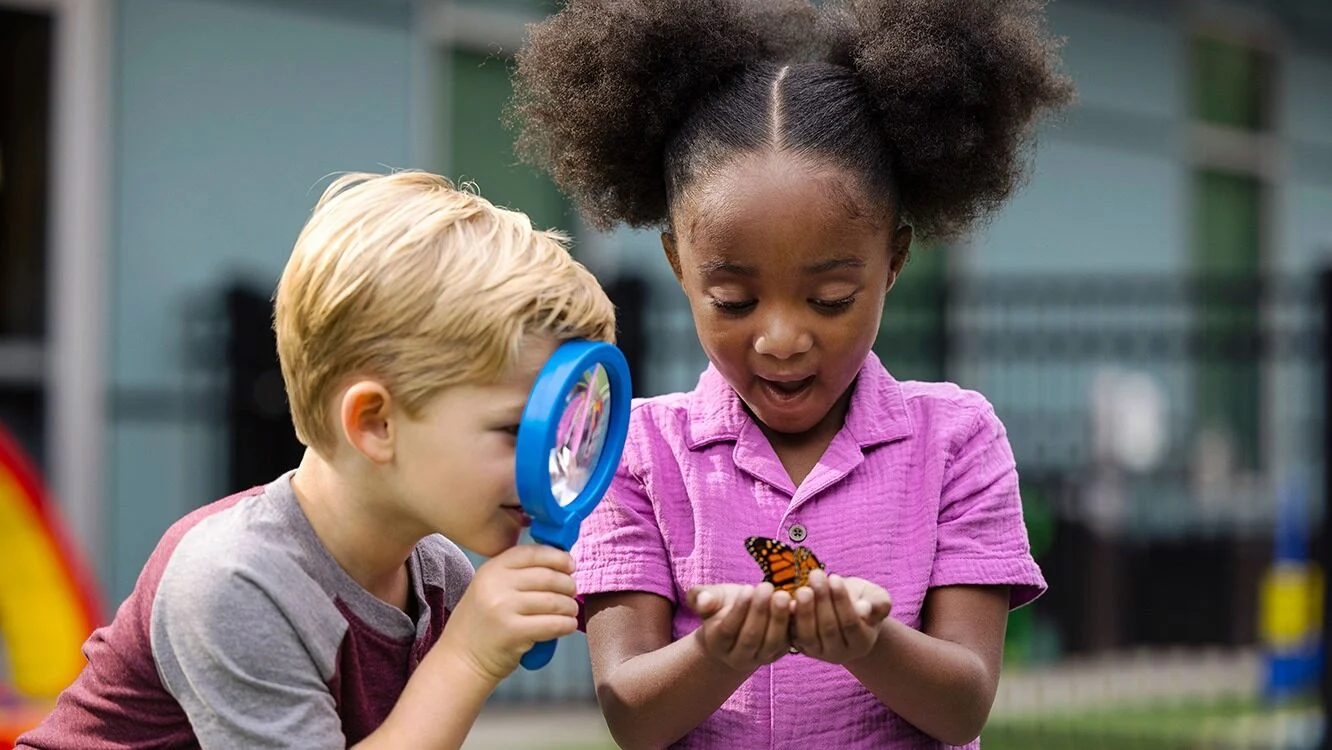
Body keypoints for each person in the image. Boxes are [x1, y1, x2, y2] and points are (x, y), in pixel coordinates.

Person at [509, 0, 1075, 747]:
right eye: (735, 300)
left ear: (895, 262)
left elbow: (963, 702)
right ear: (679, 264)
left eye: (830, 299)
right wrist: (718, 653)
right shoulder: (640, 454)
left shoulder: (957, 442)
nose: (780, 339)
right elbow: (631, 712)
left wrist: (869, 644)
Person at [17, 171, 616, 749]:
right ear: (375, 424)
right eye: (515, 429)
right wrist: (466, 657)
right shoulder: (235, 579)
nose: (549, 458)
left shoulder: (439, 578)